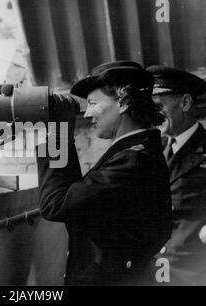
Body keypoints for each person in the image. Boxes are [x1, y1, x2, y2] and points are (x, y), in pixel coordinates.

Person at [36, 61, 172, 286]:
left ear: (124, 100)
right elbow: (73, 198)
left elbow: (55, 204)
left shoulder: (133, 160)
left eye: (92, 103)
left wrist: (57, 134)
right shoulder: (135, 154)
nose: (87, 113)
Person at [147, 65, 206, 285]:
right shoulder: (151, 150)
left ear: (185, 103)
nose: (152, 115)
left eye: (158, 106)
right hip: (159, 267)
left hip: (201, 269)